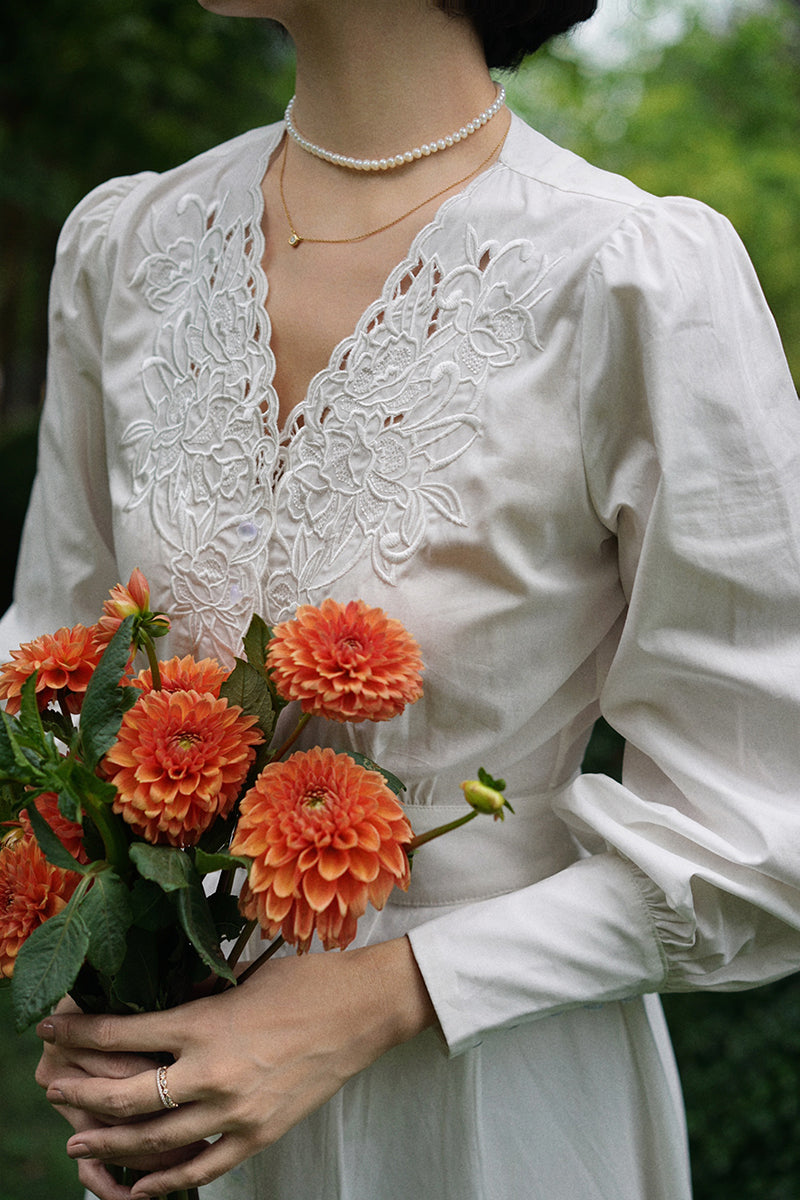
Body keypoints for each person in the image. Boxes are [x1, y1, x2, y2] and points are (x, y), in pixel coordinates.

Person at [5, 0, 800, 1197]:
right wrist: (85, 941)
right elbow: (49, 669)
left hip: (489, 1105)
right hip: (178, 1104)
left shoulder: (630, 277)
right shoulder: (125, 249)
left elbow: (762, 826)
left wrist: (389, 992)